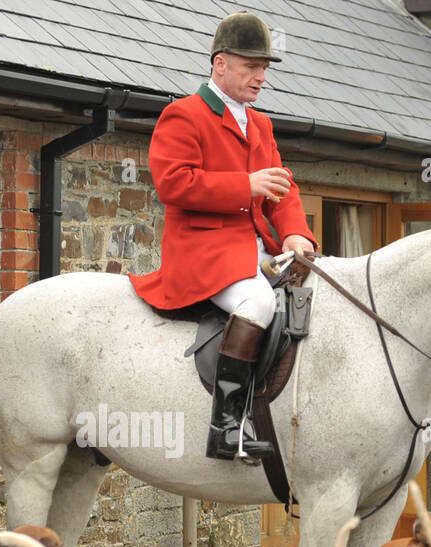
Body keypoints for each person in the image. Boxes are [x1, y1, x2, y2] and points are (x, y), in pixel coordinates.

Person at [129, 12, 317, 462]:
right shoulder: (184, 114)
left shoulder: (261, 124)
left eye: (264, 67)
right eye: (251, 66)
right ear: (220, 65)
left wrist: (294, 233)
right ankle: (226, 426)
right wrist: (243, 185)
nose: (261, 76)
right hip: (204, 252)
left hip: (258, 252)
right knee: (260, 303)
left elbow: (280, 188)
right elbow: (173, 183)